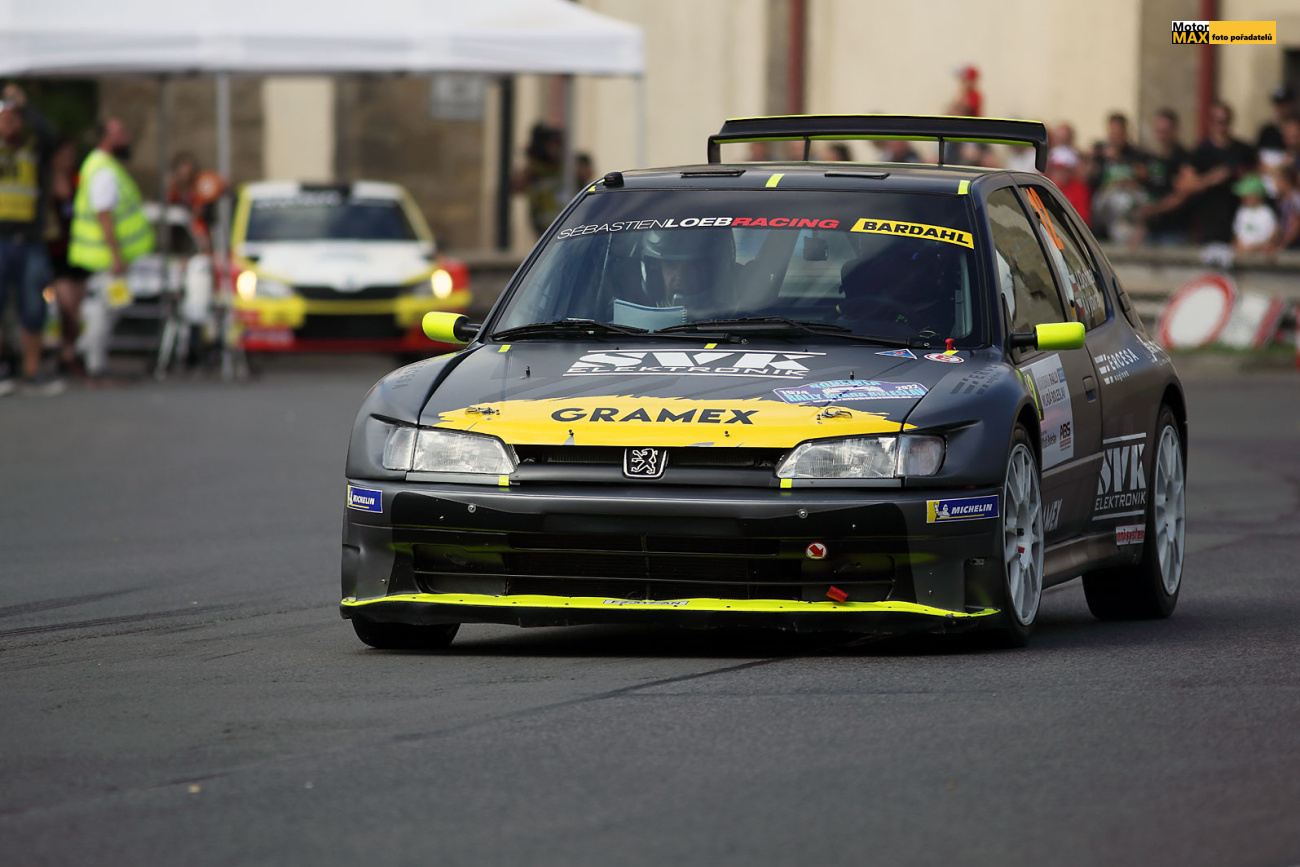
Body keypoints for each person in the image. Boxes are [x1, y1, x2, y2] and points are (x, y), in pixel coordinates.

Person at [68, 116, 155, 377]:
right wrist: (116, 255)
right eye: (121, 133)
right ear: (107, 138)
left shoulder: (104, 166)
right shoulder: (103, 170)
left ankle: (82, 351)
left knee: (116, 304)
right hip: (108, 258)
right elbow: (103, 213)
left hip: (109, 257)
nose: (127, 138)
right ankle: (91, 361)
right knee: (106, 308)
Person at [0, 85, 61, 395]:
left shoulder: (34, 148)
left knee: (34, 305)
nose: (10, 123)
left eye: (15, 118)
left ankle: (32, 370)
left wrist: (25, 107)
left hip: (30, 239)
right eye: (5, 117)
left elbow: (53, 137)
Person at [1184, 101, 1257, 245]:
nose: (1221, 127)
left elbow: (1258, 178)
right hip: (1209, 225)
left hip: (1240, 224)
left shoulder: (1244, 150)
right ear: (1210, 123)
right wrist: (1210, 179)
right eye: (1217, 122)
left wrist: (1244, 178)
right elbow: (1185, 186)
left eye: (1225, 122)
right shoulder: (1200, 152)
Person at [46, 139, 88, 375]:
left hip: (78, 249)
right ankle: (66, 349)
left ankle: (68, 350)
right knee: (66, 304)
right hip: (56, 250)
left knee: (77, 306)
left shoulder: (77, 181)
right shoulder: (46, 181)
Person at [1133, 108, 1192, 246]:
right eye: (1158, 131)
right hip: (1150, 230)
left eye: (1165, 131)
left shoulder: (1183, 158)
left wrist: (1155, 209)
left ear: (1175, 131)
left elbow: (1182, 195)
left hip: (1174, 231)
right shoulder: (1152, 158)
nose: (1161, 136)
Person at [1088, 113, 1147, 241]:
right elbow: (1090, 178)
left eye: (1118, 133)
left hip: (1128, 216)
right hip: (1104, 213)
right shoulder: (1100, 153)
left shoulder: (1137, 155)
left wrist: (1119, 159)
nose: (1115, 137)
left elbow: (1143, 179)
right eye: (1112, 133)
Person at [512, 123, 563, 237]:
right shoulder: (533, 170)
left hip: (564, 225)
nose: (555, 149)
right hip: (544, 229)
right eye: (552, 144)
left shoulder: (564, 168)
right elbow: (516, 187)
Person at [1045, 148, 1091, 227]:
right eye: (1056, 169)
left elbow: (1082, 218)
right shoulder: (1043, 185)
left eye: (1064, 170)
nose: (1059, 173)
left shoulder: (1079, 188)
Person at [1231, 174, 1276, 253]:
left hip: (1259, 254)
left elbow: (1273, 235)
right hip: (1242, 253)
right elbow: (1236, 233)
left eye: (1248, 195)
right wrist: (1238, 245)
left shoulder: (1266, 213)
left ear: (1258, 195)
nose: (1244, 198)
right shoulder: (1242, 211)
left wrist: (1255, 247)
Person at [1268, 165, 1300, 253]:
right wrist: (1272, 243)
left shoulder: (1295, 199)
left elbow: (1296, 226)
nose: (1275, 185)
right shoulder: (1281, 201)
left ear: (1285, 181)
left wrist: (1283, 244)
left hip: (1295, 245)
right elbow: (1280, 225)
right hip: (1287, 242)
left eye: (1276, 181)